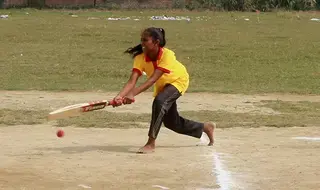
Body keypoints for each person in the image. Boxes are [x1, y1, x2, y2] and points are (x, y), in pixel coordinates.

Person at [112, 27, 216, 154]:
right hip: (163, 86)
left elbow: (152, 80)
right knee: (172, 123)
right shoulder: (140, 58)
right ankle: (205, 127)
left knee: (159, 102)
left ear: (156, 42)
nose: (142, 43)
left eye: (145, 40)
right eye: (141, 40)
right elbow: (131, 81)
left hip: (178, 80)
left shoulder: (167, 55)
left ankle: (151, 143)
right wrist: (119, 97)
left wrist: (132, 94)